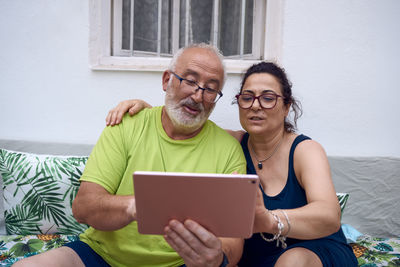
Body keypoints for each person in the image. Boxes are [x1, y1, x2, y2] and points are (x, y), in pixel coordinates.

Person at [13, 43, 247, 267]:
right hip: (101, 255)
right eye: (190, 81)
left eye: (211, 88)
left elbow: (233, 243)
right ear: (167, 80)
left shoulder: (228, 149)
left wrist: (216, 259)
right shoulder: (126, 125)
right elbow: (83, 208)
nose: (198, 96)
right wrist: (138, 206)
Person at [107, 62, 358, 266]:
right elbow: (179, 125)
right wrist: (144, 112)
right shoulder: (229, 143)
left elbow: (329, 216)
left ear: (286, 106)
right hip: (254, 258)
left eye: (268, 98)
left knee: (292, 262)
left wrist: (269, 221)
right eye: (247, 97)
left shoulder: (304, 150)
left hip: (310, 252)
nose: (256, 105)